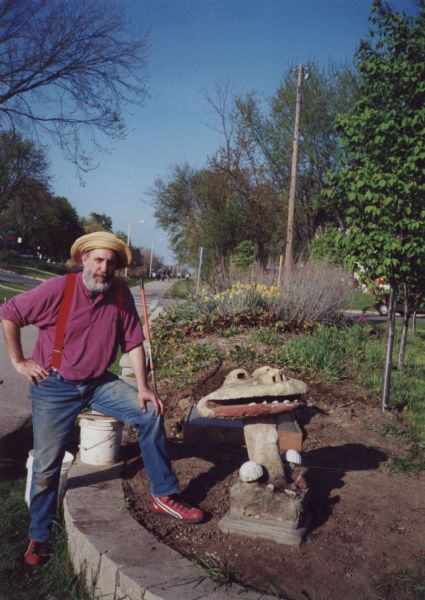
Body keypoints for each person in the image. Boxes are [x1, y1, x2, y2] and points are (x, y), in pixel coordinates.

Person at [0, 232, 204, 567]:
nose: (103, 268)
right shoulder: (59, 289)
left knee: (150, 411)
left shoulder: (120, 294)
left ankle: (164, 496)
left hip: (98, 383)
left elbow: (134, 342)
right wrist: (19, 361)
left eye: (110, 263)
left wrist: (142, 387)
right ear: (84, 260)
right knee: (46, 465)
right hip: (54, 385)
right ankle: (39, 535)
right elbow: (10, 313)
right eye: (98, 260)